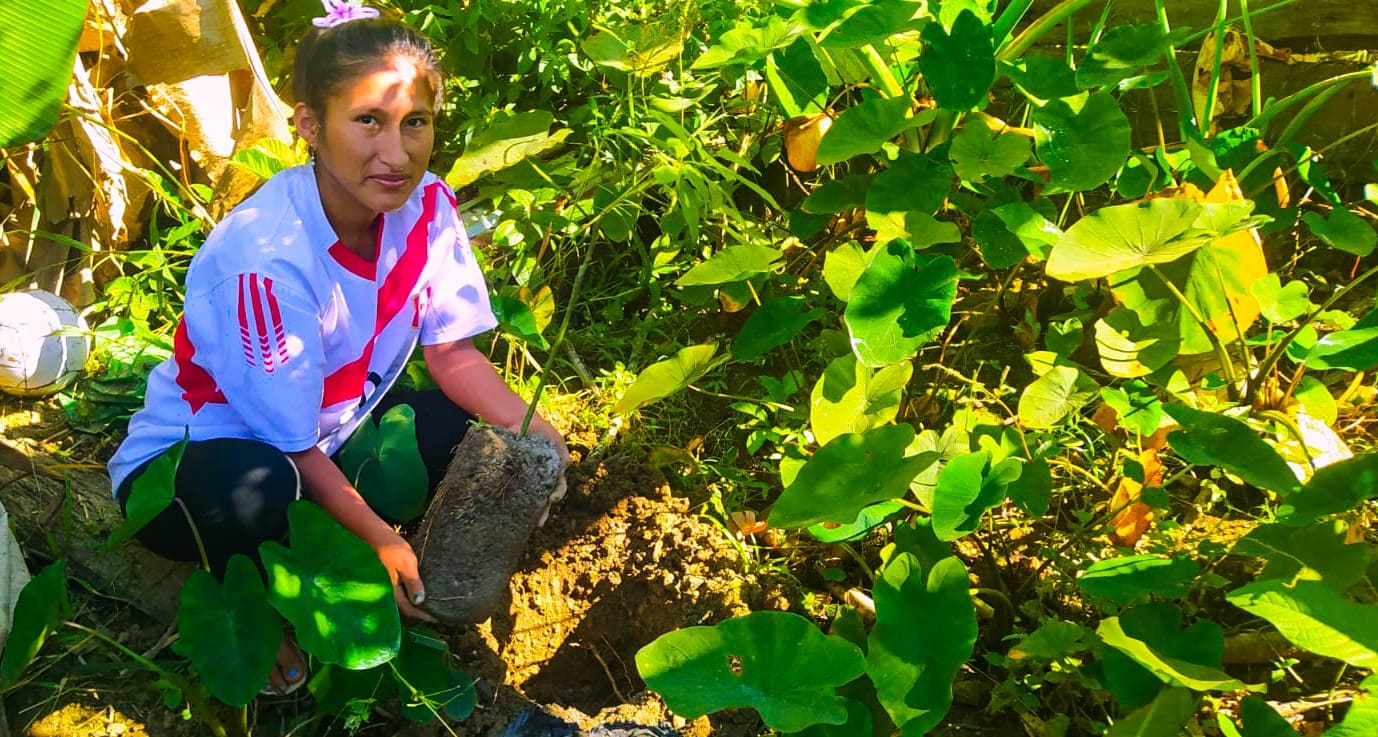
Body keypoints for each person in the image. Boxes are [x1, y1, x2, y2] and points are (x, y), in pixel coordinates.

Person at [106, 0, 569, 696]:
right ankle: (261, 599)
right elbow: (289, 448)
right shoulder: (266, 258)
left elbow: (452, 356)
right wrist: (379, 535)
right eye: (369, 122)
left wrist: (542, 436)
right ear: (310, 126)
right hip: (202, 458)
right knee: (262, 494)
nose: (397, 152)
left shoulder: (428, 209)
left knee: (466, 436)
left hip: (334, 429)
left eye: (416, 122)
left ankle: (370, 556)